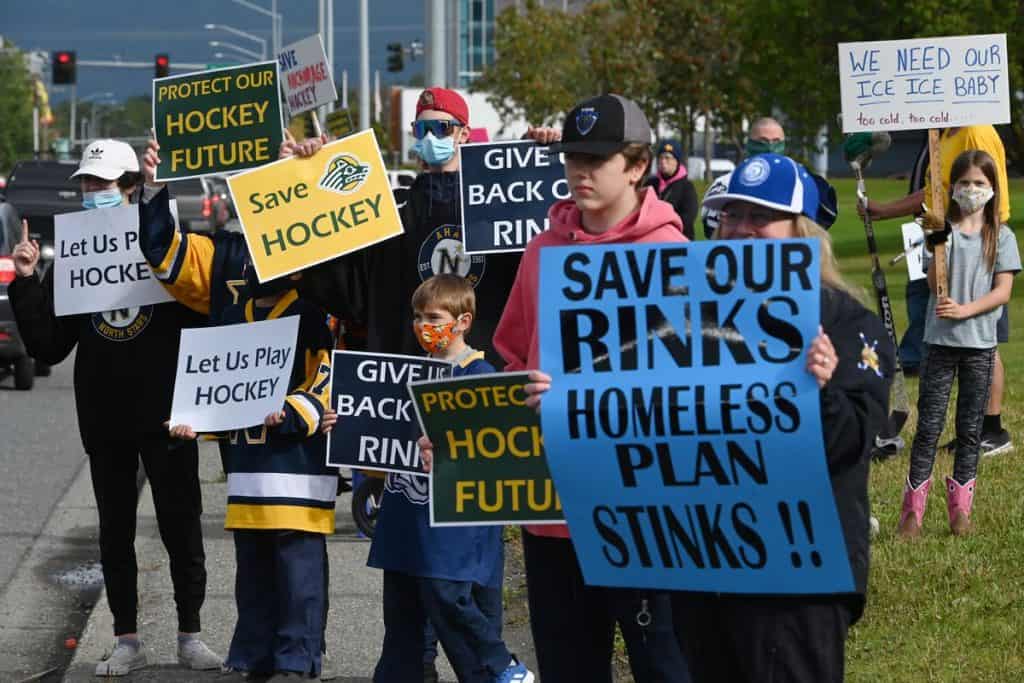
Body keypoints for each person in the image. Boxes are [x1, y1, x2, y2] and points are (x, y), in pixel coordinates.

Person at [522, 153, 891, 682]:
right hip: (705, 571)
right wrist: (566, 402)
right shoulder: (685, 313)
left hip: (796, 582)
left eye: (759, 217)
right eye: (730, 216)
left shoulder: (845, 321)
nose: (740, 230)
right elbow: (639, 422)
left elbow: (852, 444)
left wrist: (825, 389)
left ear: (803, 229)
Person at [491, 93, 692, 682]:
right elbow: (510, 355)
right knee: (569, 665)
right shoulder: (539, 252)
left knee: (665, 663)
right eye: (572, 157)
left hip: (647, 504)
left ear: (635, 165)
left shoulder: (673, 255)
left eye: (596, 159)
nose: (579, 171)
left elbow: (696, 383)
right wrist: (516, 389)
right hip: (553, 511)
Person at [7, 139, 220, 676]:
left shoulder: (171, 246)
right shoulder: (75, 254)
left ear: (129, 187)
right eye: (86, 183)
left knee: (181, 524)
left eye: (101, 184)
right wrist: (29, 280)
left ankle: (189, 634)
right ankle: (127, 639)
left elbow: (206, 315)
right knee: (115, 530)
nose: (90, 192)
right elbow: (50, 347)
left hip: (170, 413)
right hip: (105, 417)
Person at [139, 135, 340, 680]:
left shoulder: (323, 253)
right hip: (245, 448)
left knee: (297, 557)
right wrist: (155, 187)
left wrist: (321, 165)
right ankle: (252, 650)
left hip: (300, 444)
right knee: (252, 555)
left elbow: (335, 356)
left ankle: (297, 657)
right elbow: (167, 258)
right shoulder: (225, 251)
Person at [368, 273, 532, 683]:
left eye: (434, 316)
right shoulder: (405, 374)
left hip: (456, 522)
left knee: (450, 597)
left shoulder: (481, 374)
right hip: (408, 515)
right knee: (403, 609)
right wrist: (350, 425)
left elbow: (497, 447)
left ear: (463, 321)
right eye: (418, 316)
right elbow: (376, 431)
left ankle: (499, 665)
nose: (424, 325)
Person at [861, 125, 1013, 457]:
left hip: (977, 243)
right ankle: (969, 429)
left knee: (983, 337)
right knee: (945, 333)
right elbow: (934, 195)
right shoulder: (941, 133)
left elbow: (993, 196)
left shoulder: (975, 131)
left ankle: (992, 430)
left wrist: (982, 249)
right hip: (941, 238)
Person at [896, 150, 1020, 538]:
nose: (971, 190)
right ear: (952, 187)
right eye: (964, 183)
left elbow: (1003, 292)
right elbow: (934, 285)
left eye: (979, 184)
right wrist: (936, 245)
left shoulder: (1001, 236)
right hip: (939, 342)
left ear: (992, 188)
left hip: (980, 346)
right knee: (929, 427)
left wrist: (966, 311)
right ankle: (912, 514)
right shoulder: (941, 230)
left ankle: (960, 511)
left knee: (969, 429)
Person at [701, 116, 838, 238]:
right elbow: (714, 231)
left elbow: (824, 217)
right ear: (749, 144)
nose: (770, 147)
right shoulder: (725, 183)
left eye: (776, 141)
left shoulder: (800, 181)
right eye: (763, 141)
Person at [646, 139, 697, 239]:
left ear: (677, 161)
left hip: (679, 240)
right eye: (660, 158)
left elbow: (688, 217)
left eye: (668, 158)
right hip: (652, 240)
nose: (663, 161)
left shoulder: (686, 187)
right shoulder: (650, 184)